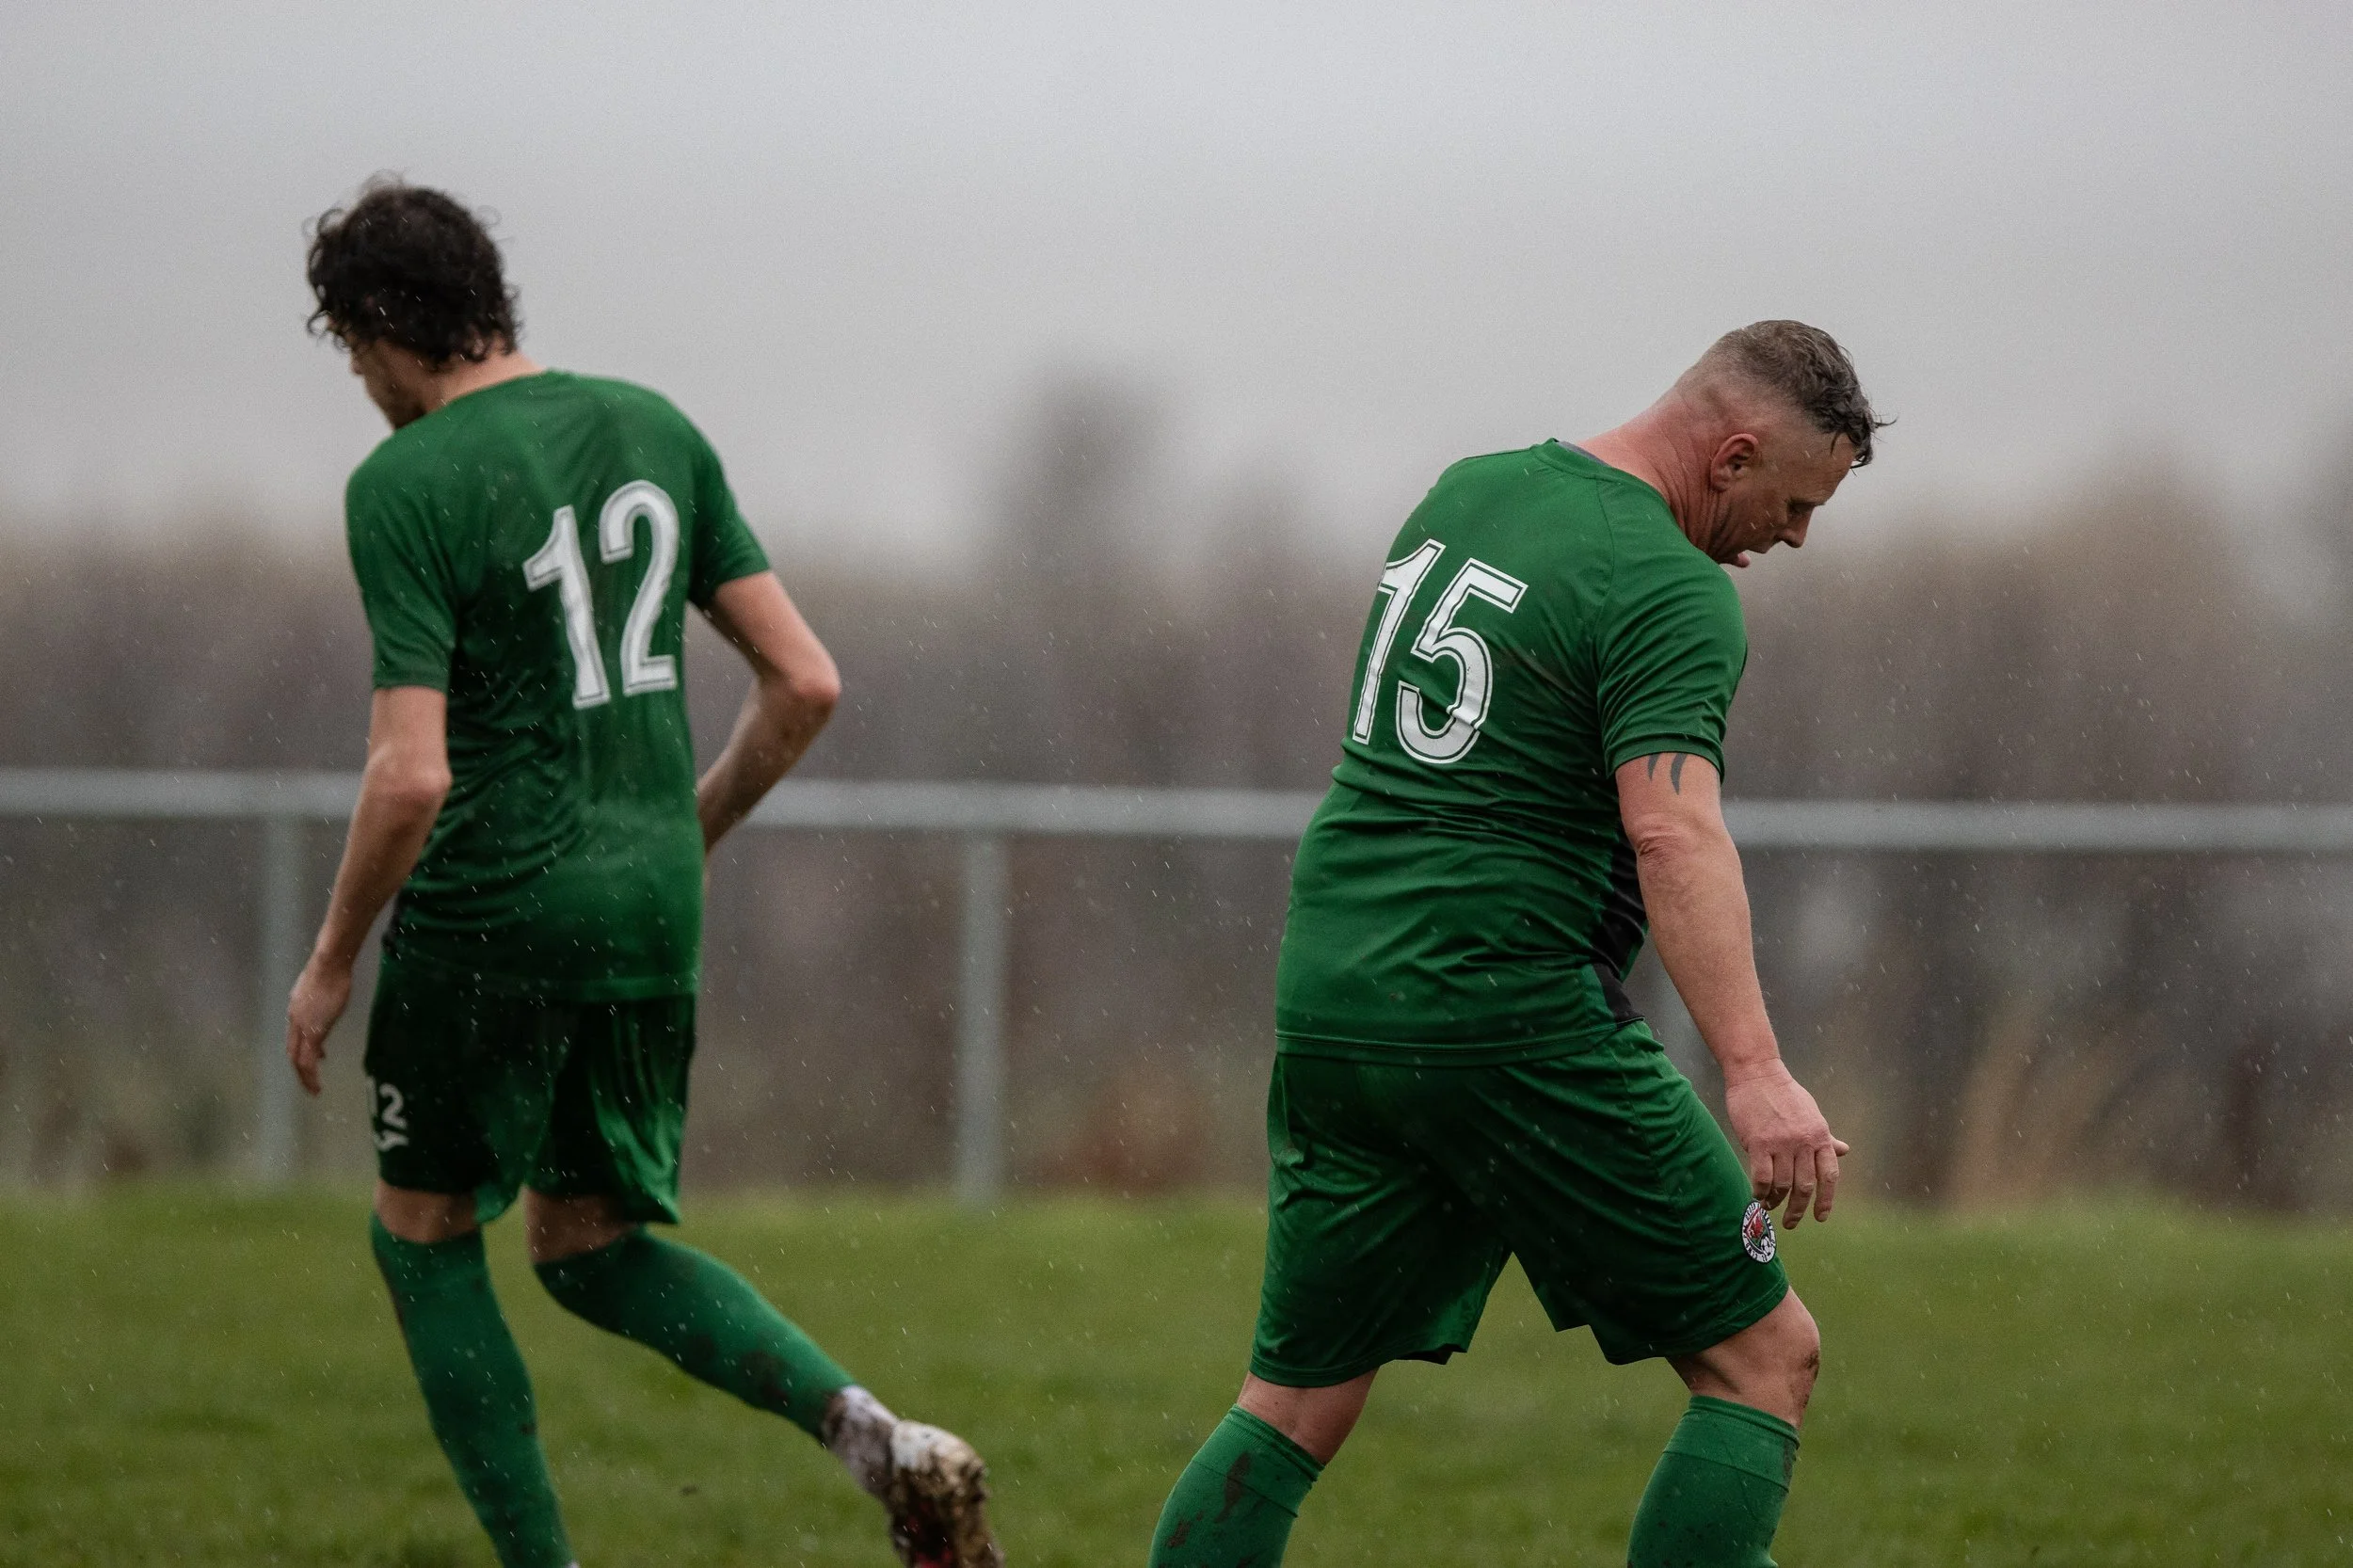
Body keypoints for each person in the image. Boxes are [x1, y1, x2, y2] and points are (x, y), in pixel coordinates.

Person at [285, 179, 1003, 1568]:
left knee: (424, 1230)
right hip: (647, 905)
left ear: (381, 324)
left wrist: (327, 960)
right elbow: (805, 680)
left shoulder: (406, 484)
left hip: (494, 904)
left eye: (353, 349)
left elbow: (410, 773)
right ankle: (881, 1441)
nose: (362, 383)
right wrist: (692, 826)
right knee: (588, 1242)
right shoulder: (652, 428)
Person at [1145, 322, 1881, 1568]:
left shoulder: (1472, 489)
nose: (1795, 537)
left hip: (1336, 988)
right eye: (1795, 502)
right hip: (1501, 1008)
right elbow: (1676, 831)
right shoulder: (1672, 586)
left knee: (1298, 1398)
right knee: (1766, 1358)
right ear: (1735, 451)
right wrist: (1754, 1072)